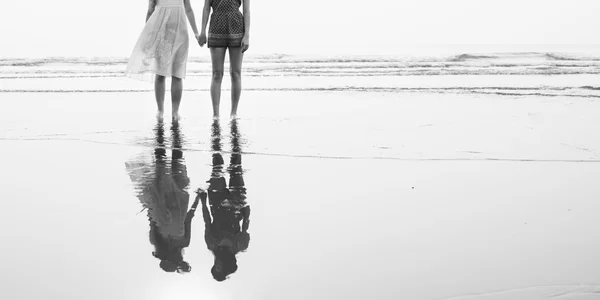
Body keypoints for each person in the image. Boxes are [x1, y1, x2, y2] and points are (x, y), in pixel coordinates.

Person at [126, 121, 198, 273]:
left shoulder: (182, 242)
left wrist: (198, 199)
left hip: (177, 195)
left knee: (175, 157)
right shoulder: (159, 240)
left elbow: (188, 218)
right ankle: (164, 126)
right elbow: (152, 216)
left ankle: (171, 125)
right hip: (166, 195)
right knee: (164, 159)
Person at [125, 0, 201, 121]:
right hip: (162, 30)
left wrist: (196, 32)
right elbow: (150, 10)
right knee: (162, 73)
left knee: (177, 73)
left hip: (180, 31)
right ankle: (162, 111)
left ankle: (172, 111)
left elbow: (188, 8)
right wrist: (148, 35)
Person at [199, 118, 250, 281]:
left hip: (216, 201)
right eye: (218, 267)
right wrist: (247, 213)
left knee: (217, 164)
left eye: (215, 266)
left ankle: (216, 129)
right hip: (236, 204)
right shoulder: (240, 246)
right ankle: (235, 131)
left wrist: (203, 201)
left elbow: (207, 221)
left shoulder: (211, 244)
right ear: (226, 266)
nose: (216, 263)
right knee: (236, 166)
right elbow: (245, 227)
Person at [198, 0, 251, 118]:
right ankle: (216, 115)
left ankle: (234, 113)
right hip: (216, 28)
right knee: (217, 74)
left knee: (236, 73)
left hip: (237, 28)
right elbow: (206, 7)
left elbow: (246, 11)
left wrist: (247, 35)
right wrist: (202, 31)